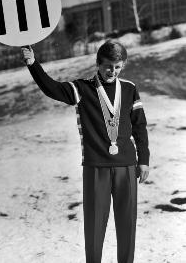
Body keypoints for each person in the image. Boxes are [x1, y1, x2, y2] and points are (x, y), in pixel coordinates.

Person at [21, 39, 150, 263]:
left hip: (127, 166)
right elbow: (52, 88)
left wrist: (144, 160)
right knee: (94, 227)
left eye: (118, 66)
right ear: (98, 64)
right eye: (108, 65)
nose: (113, 71)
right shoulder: (83, 89)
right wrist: (33, 64)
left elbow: (139, 126)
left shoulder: (129, 89)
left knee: (127, 225)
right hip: (96, 167)